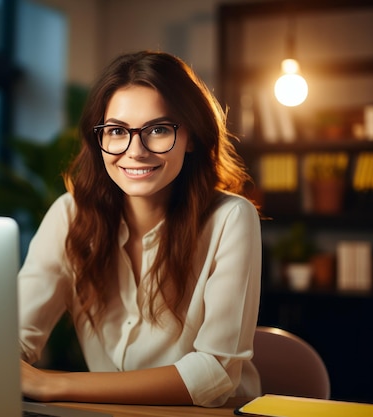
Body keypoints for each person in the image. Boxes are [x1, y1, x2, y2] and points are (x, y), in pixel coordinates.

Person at [18, 50, 262, 408]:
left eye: (158, 130)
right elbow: (16, 336)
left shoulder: (231, 219)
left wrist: (52, 385)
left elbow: (215, 372)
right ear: (98, 138)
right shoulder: (70, 215)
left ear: (191, 136)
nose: (136, 151)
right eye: (117, 131)